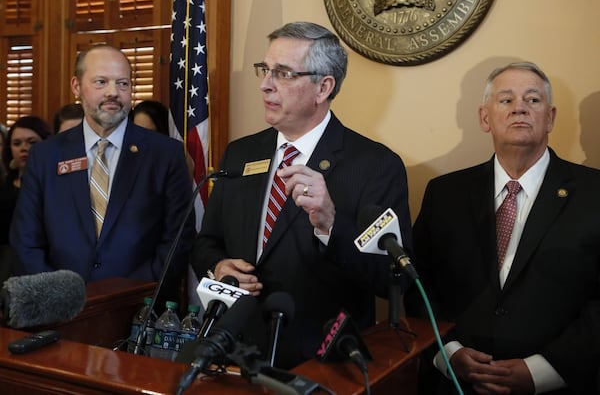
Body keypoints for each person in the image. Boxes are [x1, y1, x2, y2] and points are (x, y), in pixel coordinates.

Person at [190, 21, 412, 369]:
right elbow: (206, 242)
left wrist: (330, 223)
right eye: (265, 70)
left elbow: (389, 279)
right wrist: (217, 265)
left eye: (283, 74)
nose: (265, 85)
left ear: (323, 87)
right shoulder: (241, 153)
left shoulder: (376, 165)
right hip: (234, 352)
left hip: (321, 362)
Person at [405, 61, 600, 394]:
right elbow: (416, 284)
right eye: (506, 100)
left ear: (550, 117)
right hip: (456, 385)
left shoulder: (594, 193)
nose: (519, 108)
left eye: (533, 100)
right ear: (485, 118)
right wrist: (448, 352)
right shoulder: (444, 193)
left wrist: (543, 371)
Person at [10, 44, 194, 304]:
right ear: (76, 86)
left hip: (139, 311)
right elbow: (26, 241)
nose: (113, 93)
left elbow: (177, 240)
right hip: (59, 314)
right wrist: (59, 299)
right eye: (101, 82)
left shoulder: (165, 155)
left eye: (122, 83)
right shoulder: (45, 156)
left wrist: (126, 297)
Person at [0, 116, 52, 287]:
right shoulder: (4, 186)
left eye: (32, 142)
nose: (24, 148)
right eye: (17, 143)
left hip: (45, 264)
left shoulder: (56, 184)